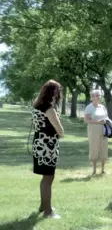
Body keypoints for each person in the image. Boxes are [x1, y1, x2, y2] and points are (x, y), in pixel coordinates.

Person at [31, 79, 64, 219]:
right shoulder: (49, 109)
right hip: (48, 146)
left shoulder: (36, 104)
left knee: (45, 177)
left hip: (39, 143)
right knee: (48, 178)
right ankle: (48, 211)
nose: (59, 94)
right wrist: (61, 132)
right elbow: (59, 129)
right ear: (54, 92)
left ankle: (43, 205)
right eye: (59, 91)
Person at [84, 90, 109, 175]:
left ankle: (102, 169)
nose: (99, 97)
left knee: (104, 148)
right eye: (97, 95)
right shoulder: (89, 107)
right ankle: (94, 170)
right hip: (93, 131)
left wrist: (105, 121)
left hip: (103, 130)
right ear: (92, 97)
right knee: (94, 148)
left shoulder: (102, 107)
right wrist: (98, 122)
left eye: (100, 95)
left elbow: (106, 117)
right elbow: (86, 120)